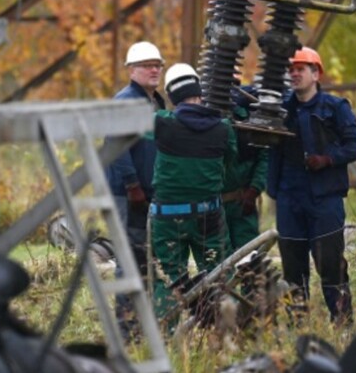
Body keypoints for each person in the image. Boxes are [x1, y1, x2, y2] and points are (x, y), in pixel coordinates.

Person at [266, 47, 356, 326]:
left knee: (331, 266)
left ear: (316, 73)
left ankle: (342, 325)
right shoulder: (278, 109)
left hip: (324, 201)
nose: (295, 73)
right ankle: (297, 326)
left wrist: (329, 159)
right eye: (291, 69)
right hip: (289, 200)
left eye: (301, 68)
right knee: (293, 270)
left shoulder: (335, 108)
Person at [149, 63, 237, 325]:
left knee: (168, 278)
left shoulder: (161, 123)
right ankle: (225, 330)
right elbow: (231, 161)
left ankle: (167, 338)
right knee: (219, 272)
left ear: (172, 96)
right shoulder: (223, 128)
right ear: (200, 92)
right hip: (208, 215)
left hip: (167, 218)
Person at [105, 41, 166, 339]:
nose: (154, 69)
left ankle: (144, 325)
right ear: (131, 70)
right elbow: (116, 147)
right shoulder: (125, 101)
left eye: (157, 64)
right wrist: (132, 185)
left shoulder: (157, 102)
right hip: (127, 194)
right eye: (146, 65)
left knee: (145, 258)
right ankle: (127, 330)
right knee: (129, 258)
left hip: (147, 192)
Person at [223, 87, 268, 251]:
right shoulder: (207, 119)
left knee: (248, 255)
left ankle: (251, 276)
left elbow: (264, 158)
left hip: (243, 202)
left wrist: (254, 189)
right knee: (219, 259)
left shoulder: (249, 122)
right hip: (215, 206)